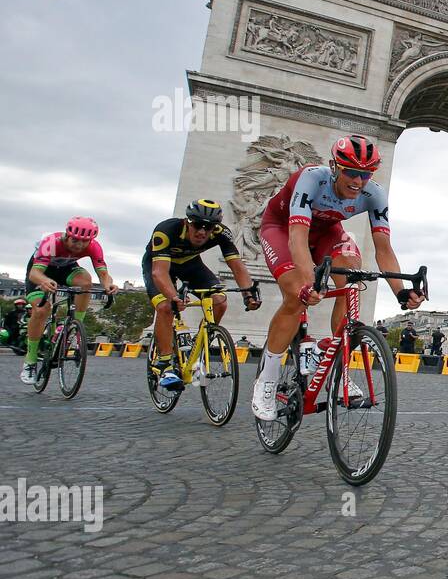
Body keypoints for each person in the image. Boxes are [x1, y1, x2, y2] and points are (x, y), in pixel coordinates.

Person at [250, 134, 425, 419]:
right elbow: (297, 237)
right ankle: (266, 379)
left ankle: (340, 365)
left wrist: (401, 293)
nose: (358, 181)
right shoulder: (310, 179)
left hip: (326, 234)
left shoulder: (375, 194)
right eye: (351, 172)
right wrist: (309, 284)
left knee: (353, 276)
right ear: (334, 166)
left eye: (366, 174)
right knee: (297, 295)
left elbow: (384, 248)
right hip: (282, 229)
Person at [143, 199, 260, 390]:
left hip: (190, 264)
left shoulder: (222, 234)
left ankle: (198, 346)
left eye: (209, 227)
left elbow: (237, 265)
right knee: (165, 307)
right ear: (187, 222)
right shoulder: (166, 230)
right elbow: (159, 273)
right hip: (160, 265)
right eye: (197, 226)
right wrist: (173, 296)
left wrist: (248, 294)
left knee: (220, 300)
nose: (202, 232)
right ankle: (165, 362)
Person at [20, 218, 119, 384]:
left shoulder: (94, 247)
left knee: (85, 282)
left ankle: (74, 325)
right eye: (75, 240)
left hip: (66, 269)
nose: (79, 246)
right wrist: (43, 281)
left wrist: (109, 285)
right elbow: (35, 274)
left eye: (84, 242)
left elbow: (103, 274)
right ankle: (30, 361)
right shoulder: (51, 242)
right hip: (41, 272)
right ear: (67, 235)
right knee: (42, 310)